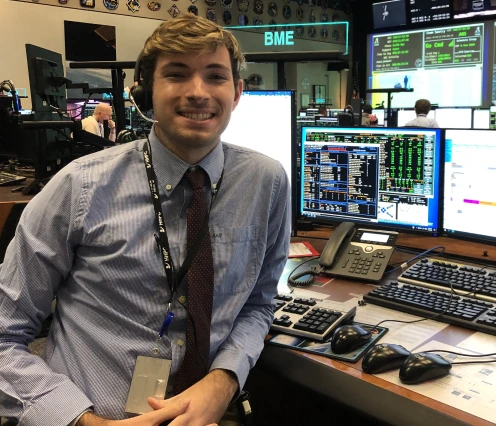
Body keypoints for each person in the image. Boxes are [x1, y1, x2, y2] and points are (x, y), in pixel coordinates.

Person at [0, 13, 290, 426]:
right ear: (144, 93)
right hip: (96, 417)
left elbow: (259, 304)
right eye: (176, 74)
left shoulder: (266, 182)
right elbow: (4, 333)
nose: (198, 92)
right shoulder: (78, 188)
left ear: (237, 91)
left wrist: (224, 379)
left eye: (215, 76)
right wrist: (81, 422)